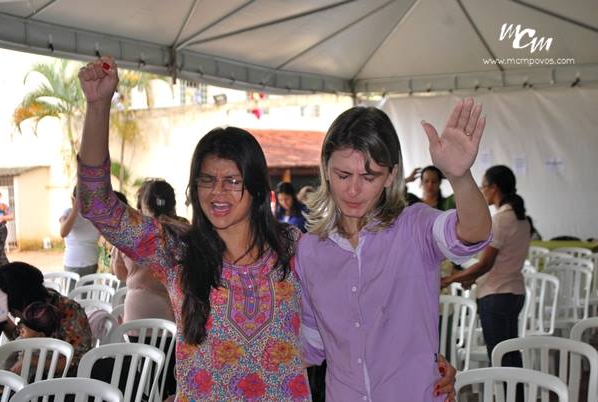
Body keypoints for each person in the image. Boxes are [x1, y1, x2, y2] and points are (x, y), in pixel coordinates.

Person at [77, 57, 457, 402]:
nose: (218, 192)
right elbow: (98, 206)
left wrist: (422, 364)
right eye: (207, 180)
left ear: (258, 188)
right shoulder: (177, 251)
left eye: (232, 180)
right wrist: (98, 106)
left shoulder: (294, 248)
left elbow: (354, 317)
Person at [297, 102, 492, 401]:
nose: (353, 190)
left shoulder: (414, 227)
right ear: (325, 168)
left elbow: (472, 234)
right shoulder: (309, 250)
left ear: (391, 175)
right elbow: (311, 344)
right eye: (343, 174)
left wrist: (459, 176)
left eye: (369, 177)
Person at [441, 165, 529, 370]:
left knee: (498, 358)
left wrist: (449, 280)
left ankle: (504, 389)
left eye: (483, 186)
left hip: (496, 295)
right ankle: (516, 390)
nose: (481, 191)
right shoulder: (522, 219)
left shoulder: (500, 220)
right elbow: (498, 263)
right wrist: (470, 277)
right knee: (511, 355)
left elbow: (485, 264)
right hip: (514, 292)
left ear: (494, 188)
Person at [110, 179, 177, 398]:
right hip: (173, 317)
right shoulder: (183, 233)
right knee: (169, 380)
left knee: (141, 381)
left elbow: (119, 273)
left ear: (143, 206)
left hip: (136, 318)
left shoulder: (129, 232)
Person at [0, 262, 92, 375]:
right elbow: (21, 337)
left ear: (23, 300)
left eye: (12, 310)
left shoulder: (69, 311)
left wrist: (33, 360)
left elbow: (78, 361)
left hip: (63, 382)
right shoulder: (31, 308)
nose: (13, 315)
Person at [7, 302, 62, 378]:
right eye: (21, 328)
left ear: (41, 336)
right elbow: (6, 356)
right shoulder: (21, 340)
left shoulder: (48, 353)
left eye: (24, 331)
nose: (20, 332)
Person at [60, 187, 100, 277]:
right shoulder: (68, 212)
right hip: (73, 266)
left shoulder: (95, 215)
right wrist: (75, 209)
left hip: (92, 265)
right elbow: (63, 233)